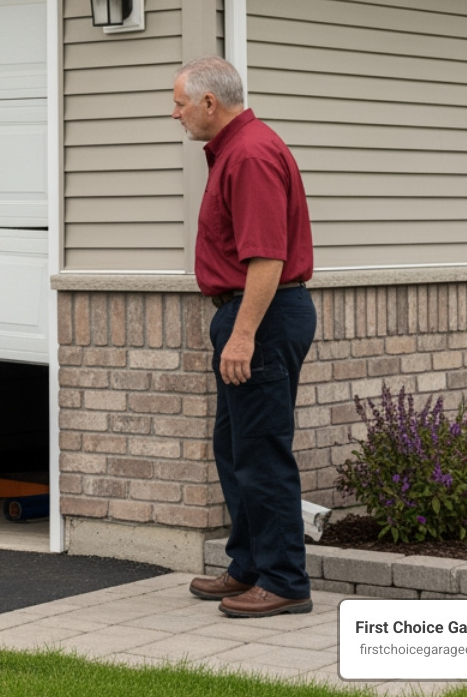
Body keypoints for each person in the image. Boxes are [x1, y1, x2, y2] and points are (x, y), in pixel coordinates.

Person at [172, 56, 317, 618]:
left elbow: (267, 256)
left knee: (261, 453)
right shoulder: (236, 150)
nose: (176, 113)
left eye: (181, 103)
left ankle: (284, 581)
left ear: (210, 102)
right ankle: (250, 566)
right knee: (235, 449)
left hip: (262, 315)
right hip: (250, 314)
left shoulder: (250, 155)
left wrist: (243, 335)